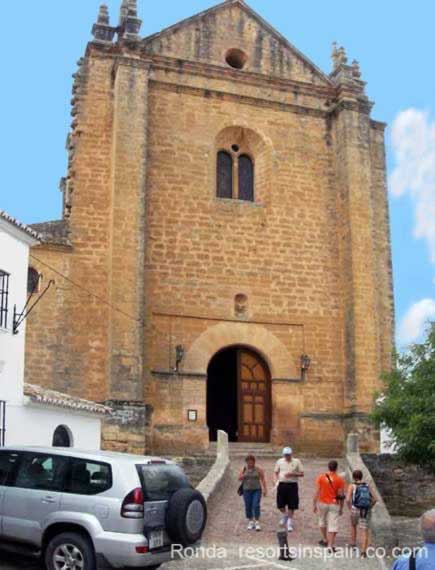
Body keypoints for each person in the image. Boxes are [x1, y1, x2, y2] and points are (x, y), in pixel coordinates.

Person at [313, 460, 346, 552]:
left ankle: (324, 539)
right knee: (333, 524)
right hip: (334, 503)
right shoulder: (339, 479)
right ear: (336, 468)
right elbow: (341, 495)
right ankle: (330, 545)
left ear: (328, 467)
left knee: (322, 521)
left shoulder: (321, 477)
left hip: (322, 502)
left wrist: (314, 503)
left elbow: (317, 491)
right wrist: (341, 507)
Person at [346, 469, 377, 557]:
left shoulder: (352, 486)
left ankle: (353, 543)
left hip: (355, 509)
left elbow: (348, 499)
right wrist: (370, 506)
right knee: (364, 530)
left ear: (353, 477)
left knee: (353, 525)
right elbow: (375, 499)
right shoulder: (367, 485)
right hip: (365, 510)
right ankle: (363, 551)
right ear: (361, 476)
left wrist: (350, 507)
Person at [274, 446, 304, 532]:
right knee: (280, 504)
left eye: (288, 455)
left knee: (292, 504)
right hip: (282, 484)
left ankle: (289, 521)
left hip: (292, 484)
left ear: (291, 454)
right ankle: (285, 515)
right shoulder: (280, 461)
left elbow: (302, 473)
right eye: (285, 455)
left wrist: (293, 474)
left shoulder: (297, 462)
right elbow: (275, 472)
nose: (287, 456)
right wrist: (275, 481)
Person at [238, 454, 267, 531]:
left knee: (256, 505)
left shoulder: (258, 469)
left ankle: (257, 521)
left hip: (257, 490)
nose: (250, 464)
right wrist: (244, 475)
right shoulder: (244, 469)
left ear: (254, 462)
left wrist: (264, 489)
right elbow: (239, 478)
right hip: (246, 490)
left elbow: (263, 479)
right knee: (248, 505)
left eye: (252, 462)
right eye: (249, 462)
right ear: (246, 462)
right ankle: (250, 520)